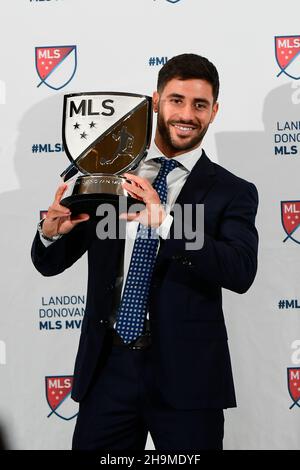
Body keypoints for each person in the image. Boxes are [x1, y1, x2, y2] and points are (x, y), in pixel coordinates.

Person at [31, 53, 259, 451]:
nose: (187, 114)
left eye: (199, 104)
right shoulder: (109, 175)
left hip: (189, 380)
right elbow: (50, 263)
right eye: (176, 100)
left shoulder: (232, 191)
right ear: (155, 102)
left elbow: (240, 271)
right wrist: (51, 234)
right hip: (108, 371)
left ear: (214, 111)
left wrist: (167, 222)